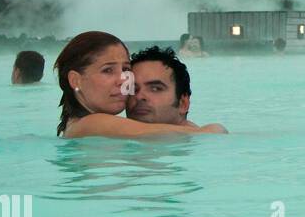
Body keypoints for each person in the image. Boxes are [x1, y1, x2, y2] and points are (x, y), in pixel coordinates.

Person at [54, 31, 226, 139]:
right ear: (76, 80)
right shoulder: (91, 124)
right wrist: (211, 130)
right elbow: (204, 135)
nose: (123, 80)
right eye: (108, 70)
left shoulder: (81, 126)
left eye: (126, 69)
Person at [127, 45, 227, 131]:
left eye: (155, 89)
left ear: (183, 103)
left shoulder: (207, 138)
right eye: (132, 89)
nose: (139, 96)